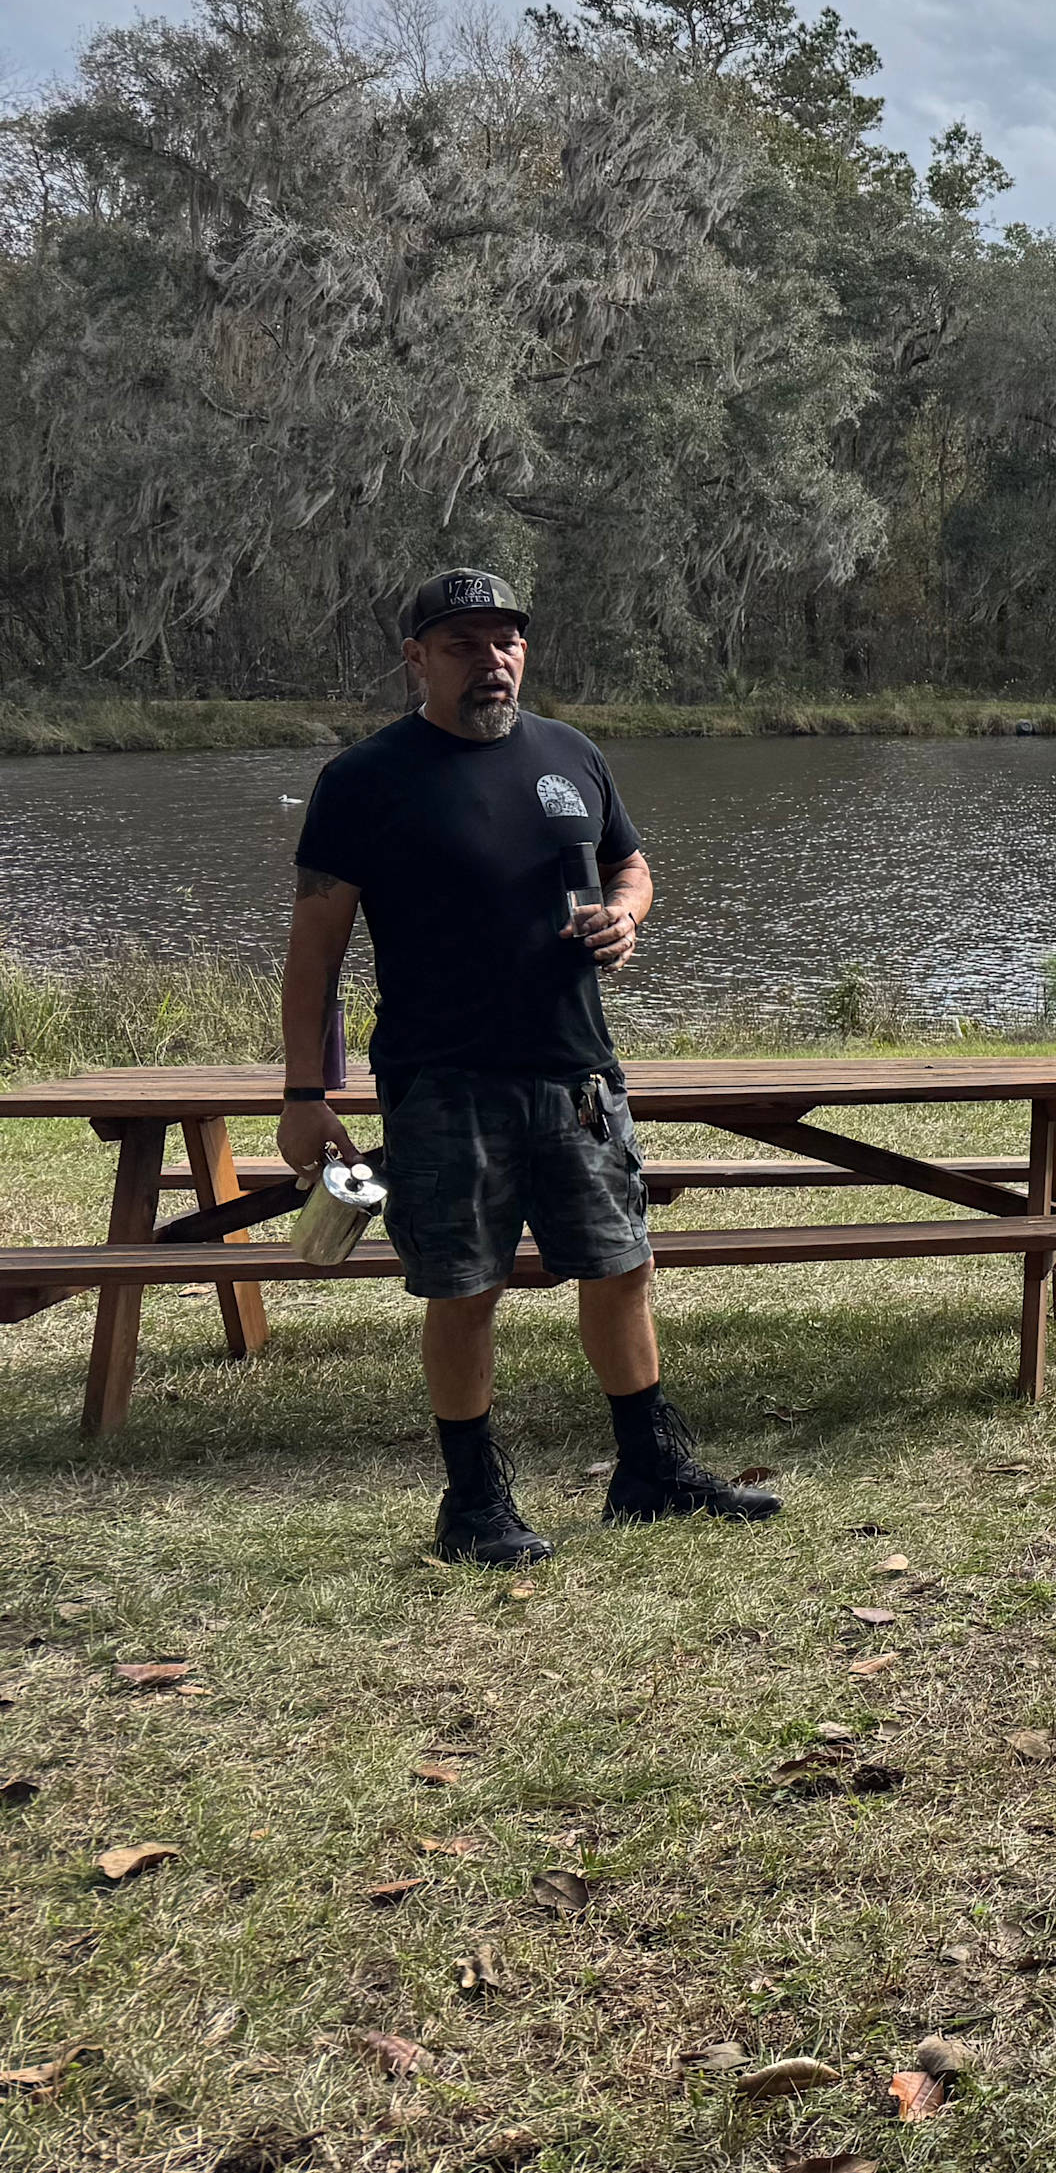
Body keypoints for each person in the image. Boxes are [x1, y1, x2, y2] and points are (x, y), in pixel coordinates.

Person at [277, 568, 778, 1566]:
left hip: (578, 1074)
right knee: (466, 1289)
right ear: (417, 658)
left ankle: (651, 1472)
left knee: (622, 1267)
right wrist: (303, 1095)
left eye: (505, 641)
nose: (490, 660)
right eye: (462, 643)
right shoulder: (366, 780)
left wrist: (626, 914)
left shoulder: (570, 755)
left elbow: (633, 864)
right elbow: (314, 950)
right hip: (443, 1081)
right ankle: (472, 1506)